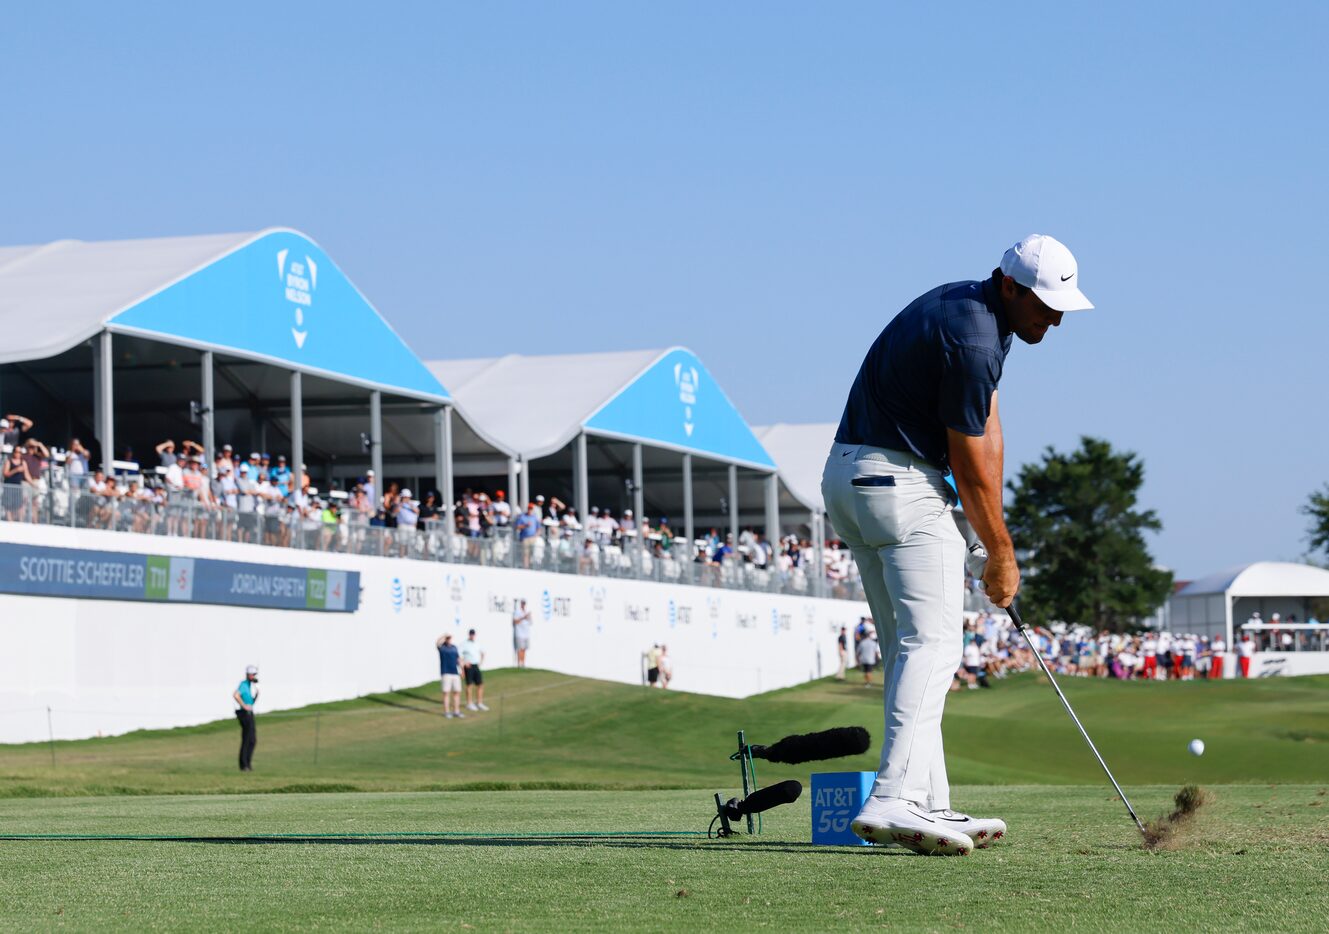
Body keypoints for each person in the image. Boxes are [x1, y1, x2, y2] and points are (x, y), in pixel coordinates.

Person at [823, 234, 1092, 855]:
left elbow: (988, 432)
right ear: (1010, 286)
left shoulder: (975, 315)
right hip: (899, 485)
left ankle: (930, 803)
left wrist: (987, 530)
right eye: (1046, 305)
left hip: (854, 479)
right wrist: (999, 554)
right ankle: (892, 798)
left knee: (907, 651)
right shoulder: (974, 339)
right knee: (935, 645)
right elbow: (969, 465)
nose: (1054, 318)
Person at [232, 665, 260, 772]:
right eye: (252, 675)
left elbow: (251, 702)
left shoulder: (250, 686)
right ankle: (244, 765)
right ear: (248, 675)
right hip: (244, 713)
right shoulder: (243, 685)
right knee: (247, 739)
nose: (254, 677)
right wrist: (244, 706)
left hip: (250, 712)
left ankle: (248, 763)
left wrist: (256, 695)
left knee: (252, 740)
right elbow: (236, 695)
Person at [435, 633, 464, 719]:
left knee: (457, 692)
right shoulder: (442, 648)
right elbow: (437, 643)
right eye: (447, 638)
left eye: (449, 638)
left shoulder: (454, 647)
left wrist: (462, 670)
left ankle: (456, 711)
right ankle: (447, 712)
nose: (448, 639)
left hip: (455, 672)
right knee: (446, 693)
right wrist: (444, 635)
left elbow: (458, 659)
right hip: (446, 673)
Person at [461, 629, 488, 711]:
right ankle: (469, 703)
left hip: (476, 665)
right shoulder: (464, 644)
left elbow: (483, 652)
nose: (472, 636)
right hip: (468, 666)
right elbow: (458, 655)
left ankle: (479, 703)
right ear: (469, 635)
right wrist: (464, 664)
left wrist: (481, 662)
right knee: (469, 685)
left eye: (473, 634)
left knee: (480, 684)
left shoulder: (477, 643)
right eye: (471, 634)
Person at [512, 599, 533, 668]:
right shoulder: (517, 612)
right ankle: (519, 663)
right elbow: (515, 622)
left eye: (524, 603)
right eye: (522, 603)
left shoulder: (527, 612)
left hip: (526, 634)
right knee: (519, 649)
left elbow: (530, 622)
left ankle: (523, 664)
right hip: (519, 633)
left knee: (524, 649)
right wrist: (523, 617)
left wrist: (528, 617)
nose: (523, 605)